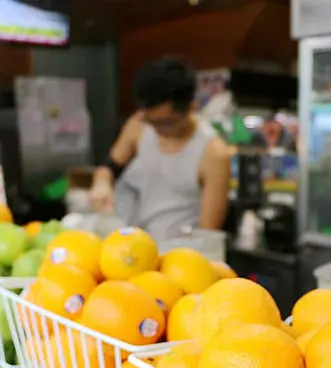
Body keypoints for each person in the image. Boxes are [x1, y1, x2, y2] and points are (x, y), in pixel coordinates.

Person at [89, 58, 231, 239]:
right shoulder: (140, 124)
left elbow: (208, 234)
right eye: (150, 120)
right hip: (143, 242)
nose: (155, 129)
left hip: (184, 253)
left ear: (191, 108)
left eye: (164, 123)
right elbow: (109, 167)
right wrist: (101, 183)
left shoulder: (213, 153)